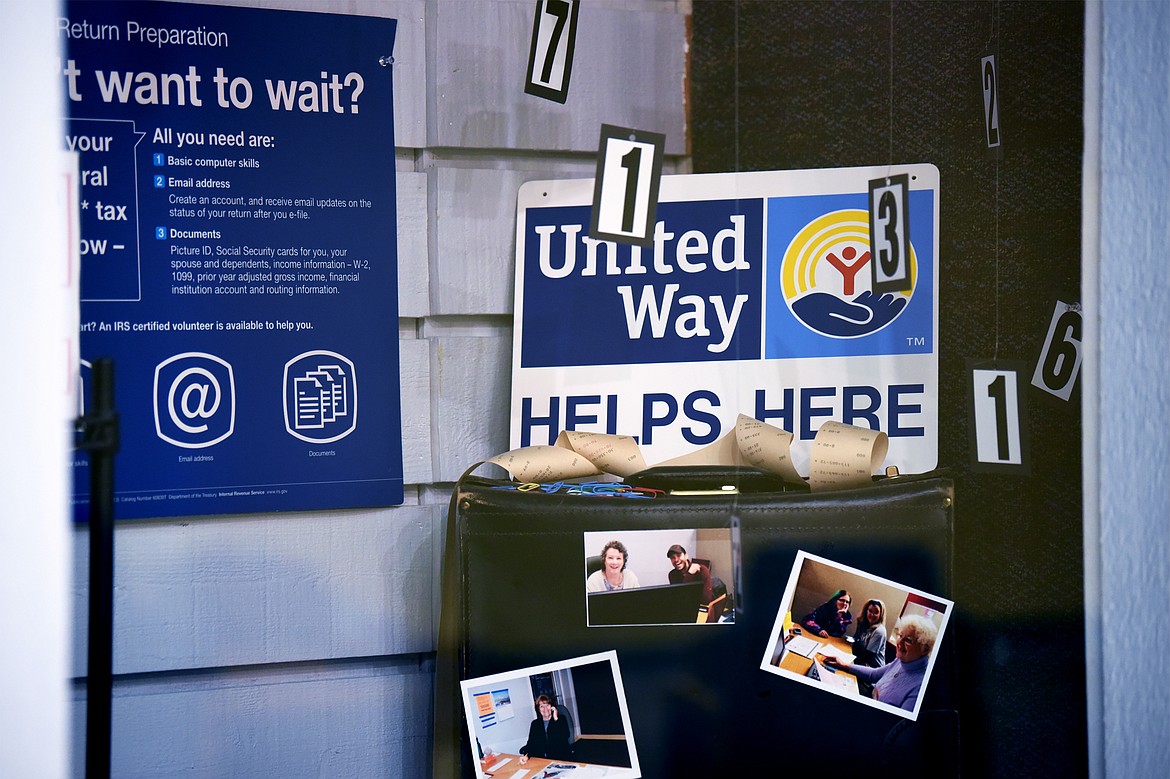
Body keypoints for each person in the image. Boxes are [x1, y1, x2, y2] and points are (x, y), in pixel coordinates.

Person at [823, 614, 938, 712]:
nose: (899, 642)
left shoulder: (920, 688)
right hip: (868, 695)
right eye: (900, 636)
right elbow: (874, 674)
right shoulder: (902, 660)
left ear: (925, 649)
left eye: (908, 640)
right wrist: (844, 664)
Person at [666, 544, 721, 623]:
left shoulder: (702, 570)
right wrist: (690, 574)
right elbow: (679, 599)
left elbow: (706, 600)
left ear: (686, 556)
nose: (676, 560)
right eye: (672, 558)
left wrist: (689, 575)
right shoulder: (672, 575)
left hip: (701, 611)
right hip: (685, 612)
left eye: (679, 555)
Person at [518, 694, 571, 765]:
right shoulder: (535, 724)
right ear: (538, 709)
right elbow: (531, 743)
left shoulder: (560, 720)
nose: (545, 709)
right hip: (541, 760)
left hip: (559, 759)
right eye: (541, 706)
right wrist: (526, 756)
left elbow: (564, 736)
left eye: (547, 705)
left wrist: (556, 719)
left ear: (552, 707)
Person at [851, 598, 888, 668]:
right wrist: (859, 625)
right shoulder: (865, 624)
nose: (872, 615)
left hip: (873, 668)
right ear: (866, 611)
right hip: (861, 662)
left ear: (881, 614)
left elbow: (867, 656)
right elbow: (855, 641)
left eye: (876, 612)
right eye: (870, 611)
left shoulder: (879, 631)